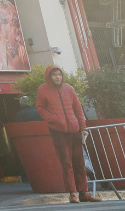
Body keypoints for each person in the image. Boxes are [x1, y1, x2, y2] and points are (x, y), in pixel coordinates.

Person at [35, 65, 100, 203]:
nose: (58, 77)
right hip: (58, 131)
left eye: (59, 74)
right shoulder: (43, 89)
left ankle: (84, 193)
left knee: (80, 163)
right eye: (54, 75)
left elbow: (78, 109)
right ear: (49, 76)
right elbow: (40, 108)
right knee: (67, 163)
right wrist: (54, 119)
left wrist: (83, 128)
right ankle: (73, 193)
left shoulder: (69, 88)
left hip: (75, 130)